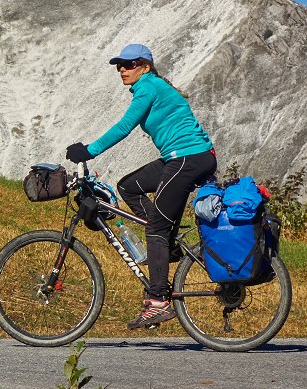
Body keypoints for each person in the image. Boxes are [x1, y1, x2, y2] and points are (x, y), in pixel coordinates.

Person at [65, 43, 217, 329]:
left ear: (146, 67)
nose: (122, 69)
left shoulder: (148, 87)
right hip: (182, 157)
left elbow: (125, 127)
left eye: (129, 64)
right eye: (119, 65)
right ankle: (167, 244)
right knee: (128, 186)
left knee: (156, 229)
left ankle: (158, 301)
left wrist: (89, 150)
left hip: (188, 157)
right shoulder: (150, 86)